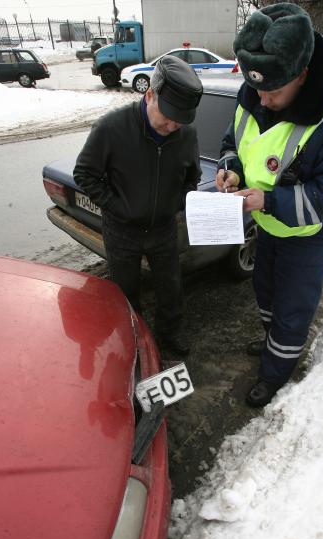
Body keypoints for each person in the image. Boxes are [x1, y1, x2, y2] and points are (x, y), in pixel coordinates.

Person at [216, 3, 323, 407]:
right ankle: (273, 344)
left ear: (302, 74)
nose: (264, 101)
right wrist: (231, 169)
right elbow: (235, 141)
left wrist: (268, 199)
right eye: (258, 90)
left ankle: (276, 375)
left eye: (274, 92)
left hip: (309, 233)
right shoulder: (257, 88)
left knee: (292, 307)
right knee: (265, 291)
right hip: (267, 224)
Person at [74, 55, 203, 356]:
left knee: (171, 289)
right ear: (149, 95)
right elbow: (84, 174)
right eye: (168, 115)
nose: (173, 125)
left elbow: (191, 177)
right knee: (126, 293)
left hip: (163, 230)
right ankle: (134, 343)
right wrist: (117, 206)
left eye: (180, 120)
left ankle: (169, 336)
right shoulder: (112, 128)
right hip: (122, 231)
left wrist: (177, 203)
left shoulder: (186, 135)